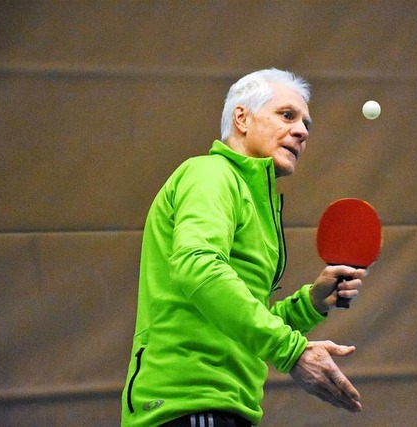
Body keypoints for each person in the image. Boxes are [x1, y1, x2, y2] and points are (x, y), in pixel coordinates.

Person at [121, 68, 367, 426]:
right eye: (287, 115)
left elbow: (243, 323)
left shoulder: (254, 203)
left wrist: (311, 303)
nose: (301, 131)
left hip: (227, 408)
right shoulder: (210, 175)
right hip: (183, 406)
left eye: (306, 125)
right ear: (242, 118)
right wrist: (293, 352)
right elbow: (197, 266)